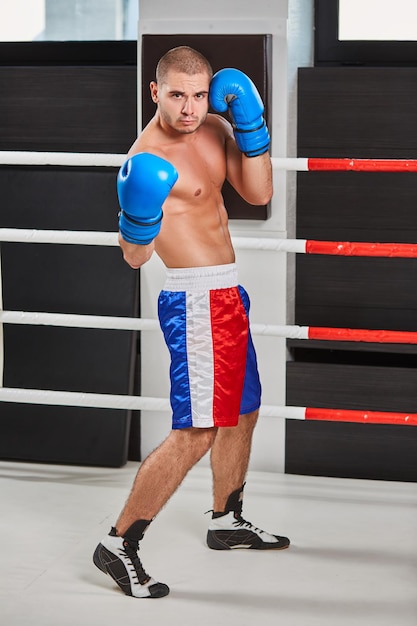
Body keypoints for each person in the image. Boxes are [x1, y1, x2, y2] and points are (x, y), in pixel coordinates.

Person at [93, 45, 290, 599]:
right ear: (156, 92)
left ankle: (226, 520)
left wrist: (250, 127)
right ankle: (119, 543)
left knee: (243, 411)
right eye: (177, 95)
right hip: (195, 302)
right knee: (198, 430)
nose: (189, 108)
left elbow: (260, 192)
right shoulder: (147, 155)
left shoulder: (215, 131)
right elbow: (134, 259)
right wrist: (136, 216)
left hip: (230, 291)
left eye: (199, 95)